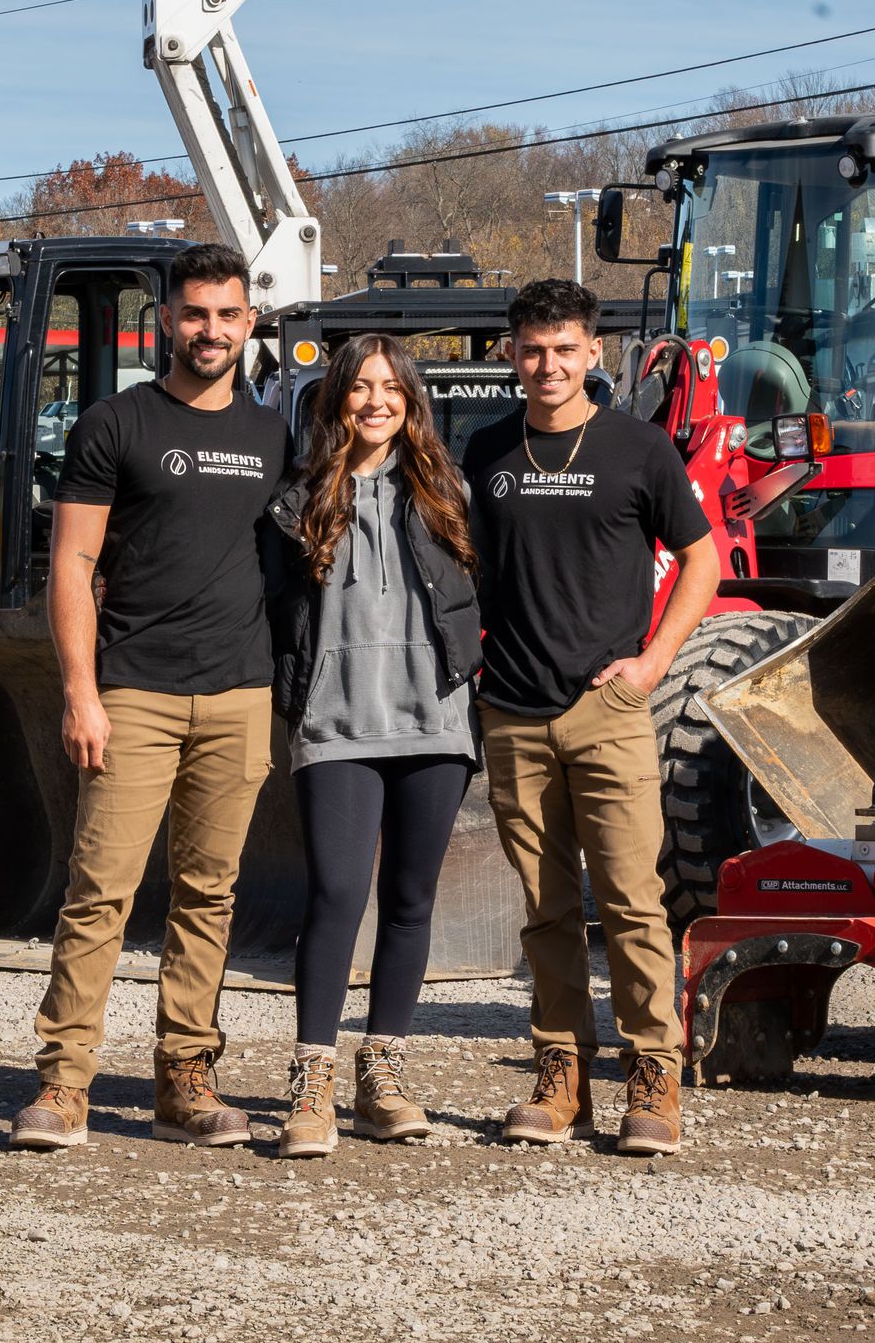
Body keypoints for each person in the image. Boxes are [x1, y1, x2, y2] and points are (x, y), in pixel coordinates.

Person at [10, 243, 289, 1152]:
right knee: (101, 892)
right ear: (167, 319)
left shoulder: (272, 435)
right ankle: (63, 1086)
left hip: (240, 694)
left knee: (210, 897)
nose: (211, 331)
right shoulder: (116, 423)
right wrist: (81, 694)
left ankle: (184, 1083)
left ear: (251, 324)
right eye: (196, 313)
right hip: (134, 693)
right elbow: (72, 564)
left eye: (228, 315)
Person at [461, 278, 720, 1157]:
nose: (548, 366)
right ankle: (560, 1074)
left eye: (564, 349)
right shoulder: (488, 453)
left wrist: (651, 666)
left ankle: (653, 1078)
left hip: (608, 710)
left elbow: (701, 560)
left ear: (593, 353)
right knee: (544, 909)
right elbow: (468, 577)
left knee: (634, 902)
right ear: (511, 354)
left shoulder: (638, 449)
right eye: (532, 350)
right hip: (513, 711)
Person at [261, 335, 482, 1159]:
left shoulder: (446, 490)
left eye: (392, 387)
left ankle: (381, 1071)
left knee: (411, 900)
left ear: (412, 400)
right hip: (337, 723)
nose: (376, 401)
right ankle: (311, 1079)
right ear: (336, 400)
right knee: (335, 896)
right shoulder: (297, 498)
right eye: (360, 387)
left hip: (434, 719)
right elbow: (275, 611)